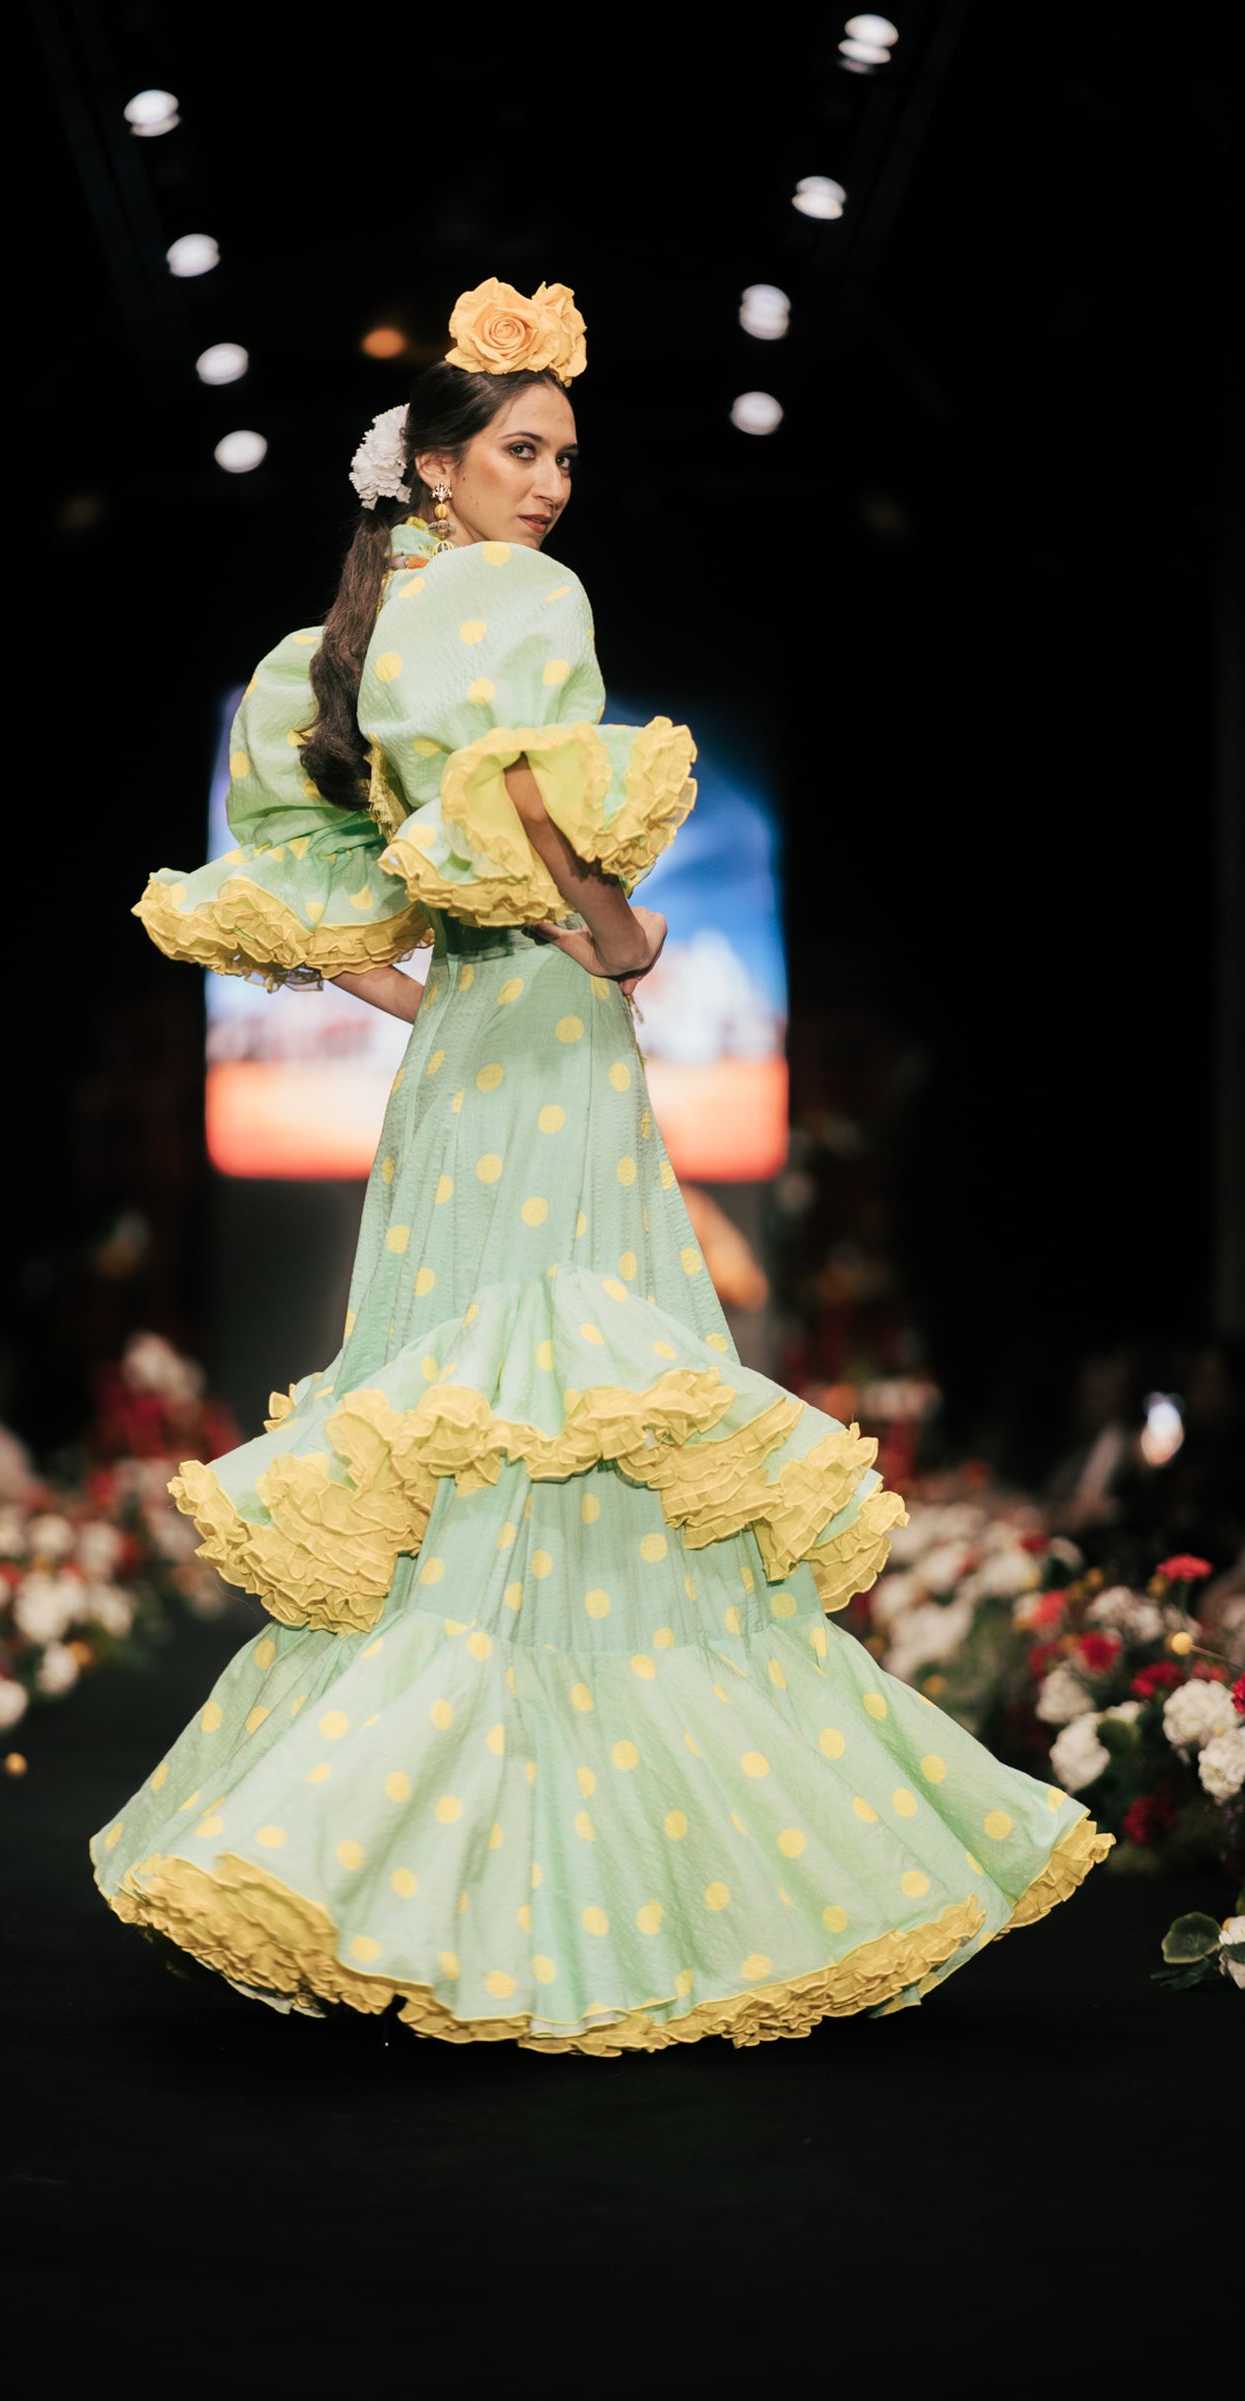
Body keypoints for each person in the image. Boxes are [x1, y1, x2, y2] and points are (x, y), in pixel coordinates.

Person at [89, 278, 1114, 2053]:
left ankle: (389, 1880)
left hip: (468, 1077)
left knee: (464, 1434)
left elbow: (303, 878)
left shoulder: (338, 645)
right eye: (523, 449)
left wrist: (438, 991)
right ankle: (646, 1899)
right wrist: (615, 932)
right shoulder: (516, 602)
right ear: (434, 464)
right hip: (551, 1052)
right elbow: (529, 797)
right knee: (589, 1412)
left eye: (565, 456)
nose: (554, 485)